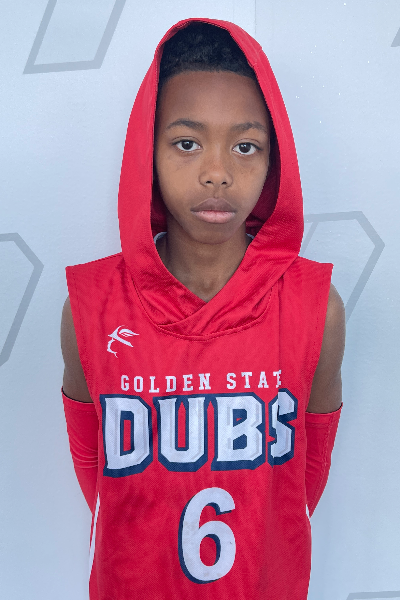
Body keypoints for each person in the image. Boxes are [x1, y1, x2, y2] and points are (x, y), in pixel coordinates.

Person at [61, 19, 345, 600]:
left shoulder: (317, 307)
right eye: (187, 143)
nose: (217, 172)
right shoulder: (90, 307)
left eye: (245, 146)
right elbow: (97, 473)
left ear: (273, 161)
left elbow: (303, 480)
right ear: (148, 153)